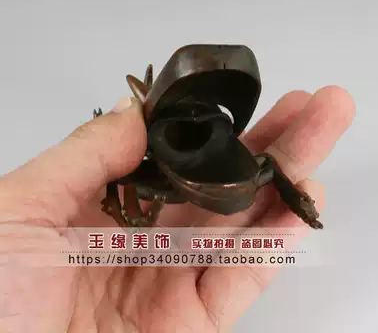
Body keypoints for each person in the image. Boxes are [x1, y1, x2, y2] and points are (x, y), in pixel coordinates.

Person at [0, 86, 355, 332]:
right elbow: (119, 176)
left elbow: (270, 166)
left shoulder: (242, 168)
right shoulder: (149, 178)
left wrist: (295, 200)